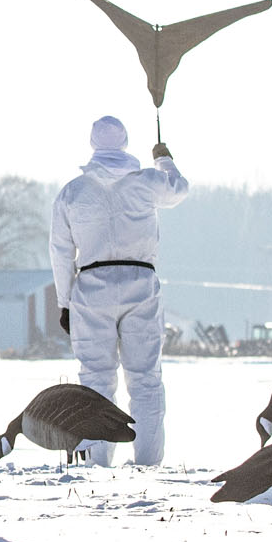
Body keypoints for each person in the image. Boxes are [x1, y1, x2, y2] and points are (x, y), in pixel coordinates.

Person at [48, 115, 187, 466]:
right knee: (145, 378)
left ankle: (97, 461)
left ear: (92, 144)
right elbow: (179, 189)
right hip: (140, 283)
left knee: (96, 379)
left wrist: (64, 303)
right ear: (124, 143)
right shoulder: (146, 182)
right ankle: (148, 461)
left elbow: (61, 252)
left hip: (91, 288)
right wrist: (164, 158)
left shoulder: (73, 192)